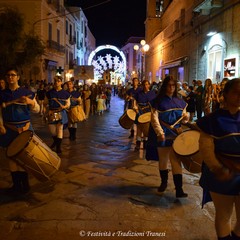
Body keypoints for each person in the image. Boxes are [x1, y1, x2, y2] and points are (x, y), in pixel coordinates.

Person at [197, 78, 240, 240]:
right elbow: (206, 148)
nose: (239, 96)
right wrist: (217, 168)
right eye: (236, 92)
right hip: (222, 174)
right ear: (226, 94)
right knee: (224, 215)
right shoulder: (213, 120)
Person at [0, 67, 40, 195]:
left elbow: (37, 110)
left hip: (25, 128)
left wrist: (30, 102)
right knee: (11, 157)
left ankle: (25, 184)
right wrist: (0, 125)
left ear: (18, 77)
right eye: (8, 75)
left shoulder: (26, 92)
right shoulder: (2, 94)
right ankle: (16, 185)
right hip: (9, 129)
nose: (10, 77)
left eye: (13, 75)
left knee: (24, 156)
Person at [149, 75, 189, 198]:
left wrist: (186, 118)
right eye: (169, 85)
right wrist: (160, 133)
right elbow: (154, 119)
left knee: (176, 161)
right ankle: (164, 183)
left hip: (176, 134)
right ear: (165, 86)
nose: (171, 87)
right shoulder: (158, 101)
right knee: (163, 160)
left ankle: (179, 189)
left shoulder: (180, 101)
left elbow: (183, 119)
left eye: (173, 85)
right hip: (164, 134)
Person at [44, 76, 70, 153]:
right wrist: (45, 111)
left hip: (61, 112)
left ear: (61, 82)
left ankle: (58, 147)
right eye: (55, 81)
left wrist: (64, 106)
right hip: (51, 112)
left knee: (60, 129)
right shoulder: (49, 93)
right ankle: (56, 141)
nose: (56, 83)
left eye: (58, 81)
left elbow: (68, 103)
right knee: (52, 131)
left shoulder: (65, 93)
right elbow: (45, 103)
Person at [133, 79, 156, 150]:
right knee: (139, 128)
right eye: (145, 84)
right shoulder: (139, 93)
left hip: (148, 113)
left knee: (147, 128)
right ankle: (138, 144)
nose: (146, 86)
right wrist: (135, 107)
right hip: (139, 112)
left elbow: (154, 103)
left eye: (147, 84)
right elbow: (135, 101)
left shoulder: (152, 93)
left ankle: (146, 144)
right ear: (142, 85)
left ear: (149, 85)